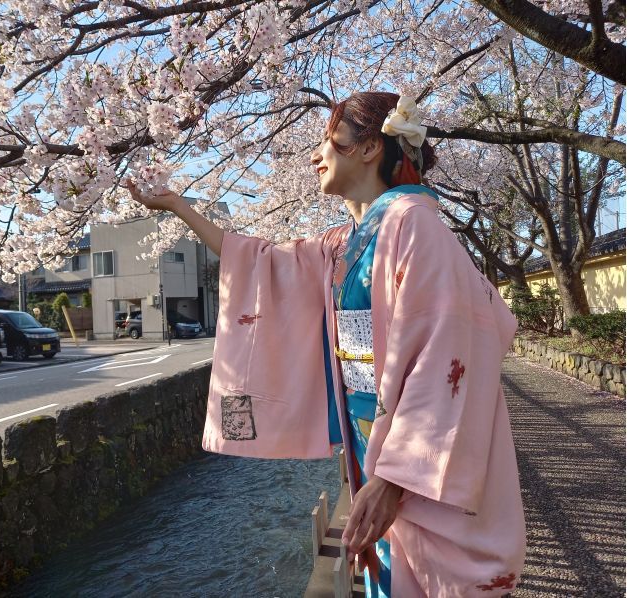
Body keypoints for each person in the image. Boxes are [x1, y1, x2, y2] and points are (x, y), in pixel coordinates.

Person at [126, 92, 526, 597]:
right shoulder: (345, 240)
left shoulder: (414, 224)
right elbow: (261, 261)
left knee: (428, 575)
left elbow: (450, 348)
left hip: (412, 454)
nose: (317, 155)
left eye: (328, 142)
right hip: (371, 439)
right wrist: (177, 207)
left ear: (368, 149)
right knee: (390, 563)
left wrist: (394, 479)